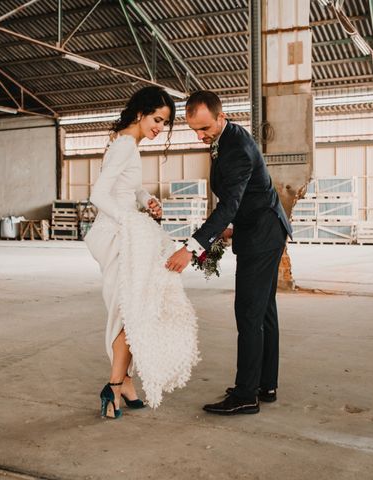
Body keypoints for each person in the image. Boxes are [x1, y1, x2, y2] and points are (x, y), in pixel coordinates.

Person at [166, 90, 292, 415]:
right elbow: (245, 197)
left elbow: (230, 204)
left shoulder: (235, 148)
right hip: (262, 227)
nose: (200, 136)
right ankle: (265, 384)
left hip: (262, 235)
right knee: (264, 312)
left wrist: (192, 247)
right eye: (194, 129)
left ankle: (246, 395)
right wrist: (231, 229)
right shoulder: (226, 137)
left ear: (221, 117)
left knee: (249, 313)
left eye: (205, 128)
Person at [85, 86, 200, 419]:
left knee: (138, 308)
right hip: (120, 238)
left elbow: (129, 189)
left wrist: (145, 198)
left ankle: (125, 383)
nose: (159, 128)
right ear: (140, 113)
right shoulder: (123, 145)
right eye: (157, 119)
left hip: (129, 233)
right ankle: (114, 385)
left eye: (164, 123)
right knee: (131, 311)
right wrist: (129, 222)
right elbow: (98, 195)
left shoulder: (128, 145)